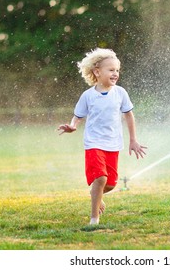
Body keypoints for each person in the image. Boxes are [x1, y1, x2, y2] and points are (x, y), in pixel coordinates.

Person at [58, 48, 147, 225]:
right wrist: (73, 126)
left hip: (113, 144)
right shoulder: (88, 96)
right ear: (97, 72)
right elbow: (78, 115)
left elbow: (129, 115)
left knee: (111, 184)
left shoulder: (120, 93)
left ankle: (95, 195)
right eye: (111, 70)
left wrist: (133, 140)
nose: (115, 74)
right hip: (94, 144)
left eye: (117, 70)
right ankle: (94, 219)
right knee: (100, 178)